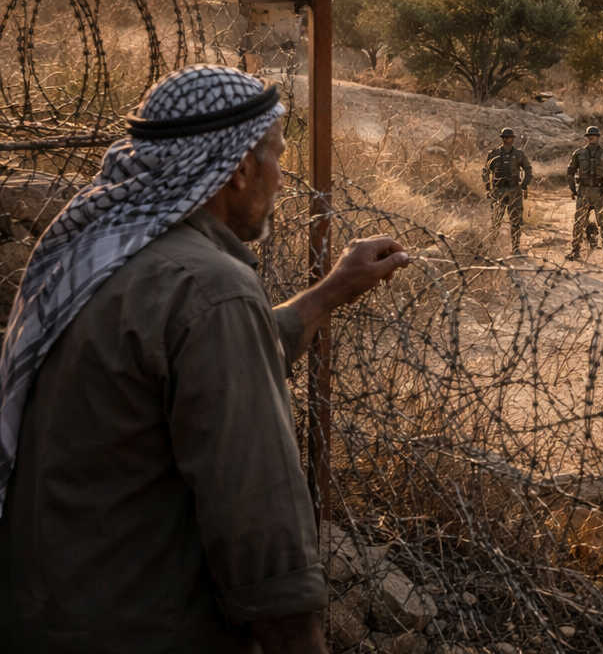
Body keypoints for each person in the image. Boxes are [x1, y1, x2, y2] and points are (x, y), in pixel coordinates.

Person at [0, 64, 410, 654]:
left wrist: (330, 292)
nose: (282, 178)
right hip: (146, 630)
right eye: (277, 157)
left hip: (49, 613)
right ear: (240, 169)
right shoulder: (209, 288)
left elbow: (202, 363)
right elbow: (259, 521)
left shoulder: (97, 255)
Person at [566, 125, 603, 261]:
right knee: (579, 221)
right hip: (583, 191)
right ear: (587, 137)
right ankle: (575, 249)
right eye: (590, 136)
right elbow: (570, 171)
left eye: (594, 136)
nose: (592, 138)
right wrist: (572, 188)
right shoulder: (579, 154)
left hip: (600, 192)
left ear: (598, 137)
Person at [483, 127, 533, 252]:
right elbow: (485, 171)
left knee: (515, 220)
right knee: (496, 220)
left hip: (514, 189)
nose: (508, 139)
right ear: (502, 138)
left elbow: (528, 169)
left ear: (513, 139)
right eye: (506, 137)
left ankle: (515, 248)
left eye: (510, 137)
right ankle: (492, 247)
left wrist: (524, 184)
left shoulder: (519, 154)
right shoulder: (493, 154)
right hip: (498, 190)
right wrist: (488, 187)